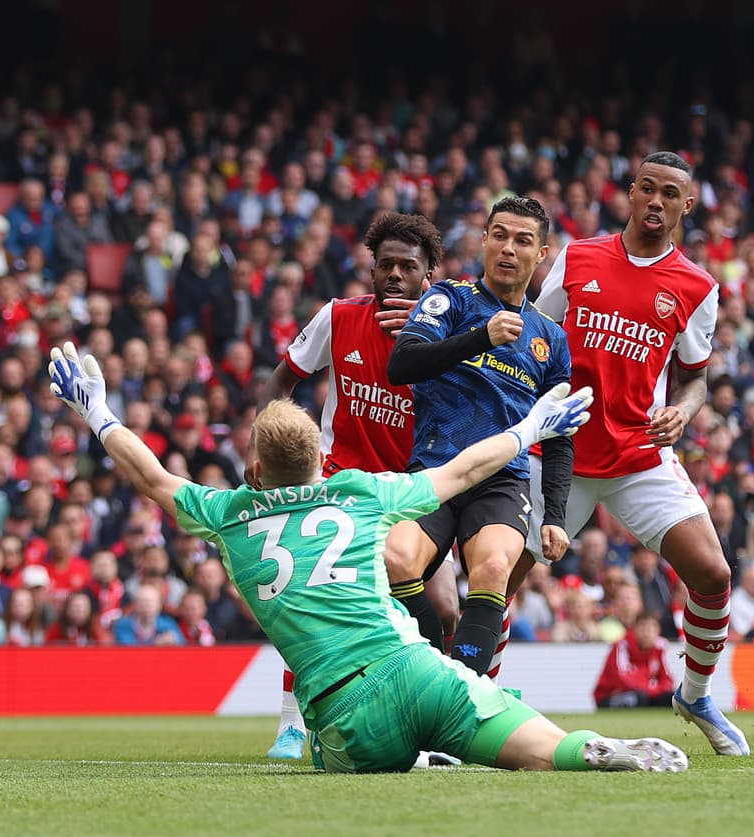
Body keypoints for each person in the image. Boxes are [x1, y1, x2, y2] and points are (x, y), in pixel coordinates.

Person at [48, 341, 688, 774]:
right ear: (316, 456)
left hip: (345, 711)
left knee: (342, 762)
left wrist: (97, 411)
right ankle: (583, 751)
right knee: (539, 749)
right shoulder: (360, 492)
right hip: (418, 671)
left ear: (259, 467)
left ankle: (415, 755)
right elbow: (463, 469)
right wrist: (530, 429)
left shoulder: (228, 514)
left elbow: (154, 478)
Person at [533, 151, 749, 756]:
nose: (656, 201)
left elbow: (695, 377)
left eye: (669, 194)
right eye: (646, 189)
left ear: (686, 206)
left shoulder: (697, 286)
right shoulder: (578, 257)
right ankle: (473, 700)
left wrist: (684, 410)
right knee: (501, 576)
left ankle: (696, 694)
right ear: (629, 194)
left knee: (713, 573)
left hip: (639, 455)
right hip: (563, 452)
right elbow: (533, 337)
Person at [254, 210, 447, 759]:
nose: (393, 275)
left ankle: (448, 708)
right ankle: (293, 723)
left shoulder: (446, 333)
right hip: (339, 480)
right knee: (315, 599)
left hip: (410, 488)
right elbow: (282, 377)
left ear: (427, 276)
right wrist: (259, 440)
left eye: (406, 267)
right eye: (383, 264)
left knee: (448, 611)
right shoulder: (338, 317)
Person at [386, 195, 573, 681]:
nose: (509, 249)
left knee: (492, 569)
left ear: (543, 254)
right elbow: (401, 365)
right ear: (486, 240)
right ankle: (435, 680)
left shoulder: (550, 338)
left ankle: (466, 696)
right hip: (436, 471)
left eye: (523, 241)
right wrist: (481, 338)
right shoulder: (449, 299)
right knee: (396, 559)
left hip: (500, 481)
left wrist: (554, 516)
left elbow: (559, 434)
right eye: (500, 236)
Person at [594, 613, 675, 708]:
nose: (647, 633)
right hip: (611, 696)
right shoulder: (621, 646)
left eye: (651, 628)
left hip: (646, 693)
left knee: (672, 698)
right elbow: (621, 680)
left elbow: (667, 679)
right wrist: (650, 689)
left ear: (658, 631)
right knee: (637, 697)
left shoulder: (659, 648)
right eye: (643, 628)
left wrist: (655, 690)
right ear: (634, 630)